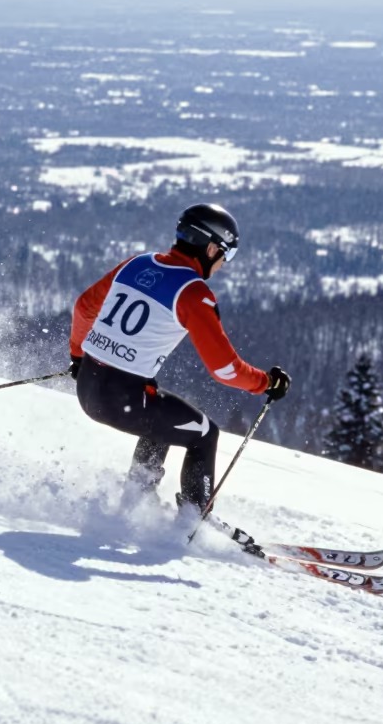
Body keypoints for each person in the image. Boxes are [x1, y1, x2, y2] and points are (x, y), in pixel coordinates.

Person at [68, 202, 291, 517]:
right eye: (227, 254)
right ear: (212, 248)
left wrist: (78, 357)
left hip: (88, 388)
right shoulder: (193, 293)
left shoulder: (136, 263)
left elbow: (83, 308)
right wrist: (265, 383)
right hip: (123, 401)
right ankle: (193, 520)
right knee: (204, 434)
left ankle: (135, 504)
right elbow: (225, 369)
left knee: (163, 415)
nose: (224, 263)